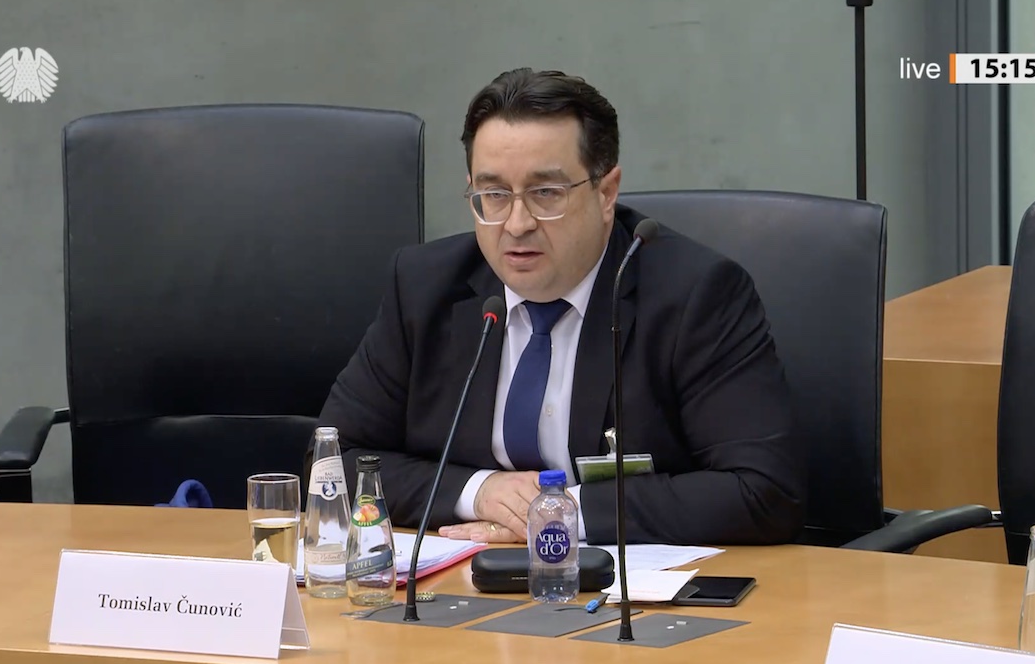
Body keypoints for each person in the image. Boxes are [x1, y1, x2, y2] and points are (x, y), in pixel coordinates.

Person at [317, 68, 804, 546]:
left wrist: (558, 517)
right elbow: (334, 461)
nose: (517, 222)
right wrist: (479, 492)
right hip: (462, 581)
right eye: (493, 194)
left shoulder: (695, 295)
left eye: (545, 193)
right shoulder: (425, 287)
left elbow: (762, 491)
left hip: (629, 600)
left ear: (606, 191)